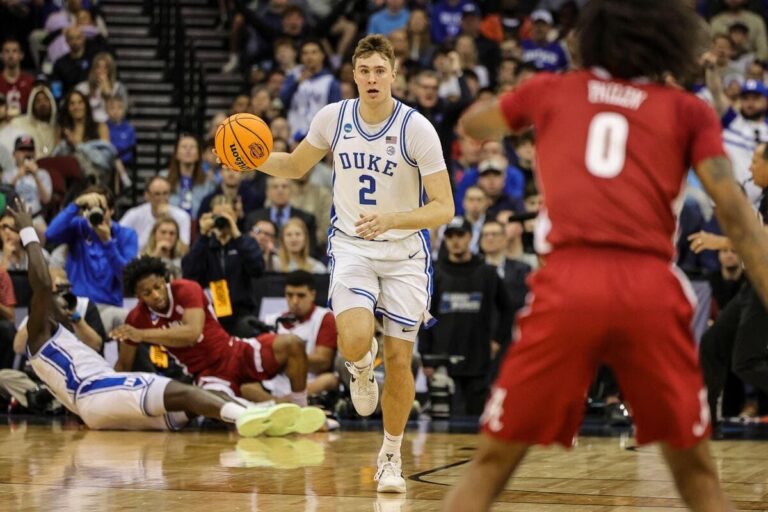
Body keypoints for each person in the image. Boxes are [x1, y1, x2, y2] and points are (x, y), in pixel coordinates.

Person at [444, 0, 768, 510]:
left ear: (590, 36)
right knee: (700, 479)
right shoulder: (686, 109)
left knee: (489, 467)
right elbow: (738, 216)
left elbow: (474, 125)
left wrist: (527, 106)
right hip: (649, 287)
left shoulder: (553, 91)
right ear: (670, 42)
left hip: (568, 281)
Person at [230, 34, 454, 493]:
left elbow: (444, 207)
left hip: (405, 252)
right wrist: (250, 158)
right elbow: (295, 166)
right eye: (364, 71)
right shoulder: (333, 118)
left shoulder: (416, 128)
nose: (372, 78)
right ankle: (357, 367)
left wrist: (393, 218)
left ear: (393, 75)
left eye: (379, 71)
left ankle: (390, 456)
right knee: (353, 340)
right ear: (353, 75)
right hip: (352, 244)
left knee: (399, 360)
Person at [8, 199, 301, 435]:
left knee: (186, 410)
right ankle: (253, 414)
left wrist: (123, 333)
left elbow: (115, 352)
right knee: (187, 394)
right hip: (97, 390)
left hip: (98, 406)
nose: (61, 295)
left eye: (65, 289)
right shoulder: (39, 330)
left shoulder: (182, 289)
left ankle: (270, 414)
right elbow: (42, 284)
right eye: (57, 291)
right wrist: (28, 231)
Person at [112, 256, 326, 436]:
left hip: (235, 351)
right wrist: (109, 403)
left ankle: (301, 408)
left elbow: (192, 332)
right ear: (138, 296)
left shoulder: (186, 288)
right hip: (207, 373)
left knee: (292, 344)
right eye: (147, 293)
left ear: (166, 279)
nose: (156, 295)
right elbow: (123, 366)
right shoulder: (136, 319)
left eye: (158, 287)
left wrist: (142, 335)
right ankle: (261, 413)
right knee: (226, 411)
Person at [696, 143, 768, 431]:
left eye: (754, 161)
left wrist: (721, 242)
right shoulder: (763, 197)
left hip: (764, 285)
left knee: (746, 362)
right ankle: (707, 423)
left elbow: (762, 241)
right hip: (752, 284)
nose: (750, 167)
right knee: (711, 344)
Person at [421, 217, 512, 416]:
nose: (455, 241)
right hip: (442, 361)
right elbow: (424, 315)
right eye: (450, 236)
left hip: (477, 361)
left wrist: (497, 340)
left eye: (460, 235)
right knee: (441, 423)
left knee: (475, 421)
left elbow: (508, 309)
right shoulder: (435, 274)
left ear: (470, 237)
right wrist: (426, 356)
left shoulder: (487, 273)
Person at [45, 186, 138, 332]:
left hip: (108, 307)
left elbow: (127, 276)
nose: (95, 213)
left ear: (112, 210)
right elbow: (50, 234)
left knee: (126, 319)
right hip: (78, 305)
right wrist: (75, 205)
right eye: (88, 208)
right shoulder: (78, 226)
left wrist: (108, 243)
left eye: (101, 209)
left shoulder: (126, 235)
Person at [182, 195, 264, 336]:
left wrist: (236, 235)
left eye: (228, 215)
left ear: (236, 216)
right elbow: (189, 273)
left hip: (240, 313)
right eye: (217, 216)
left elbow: (257, 269)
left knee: (247, 329)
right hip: (208, 313)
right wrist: (203, 235)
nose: (222, 220)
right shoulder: (203, 244)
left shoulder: (246, 242)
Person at [255, 270, 339, 400]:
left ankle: (283, 402)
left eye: (301, 296)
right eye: (290, 295)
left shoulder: (324, 318)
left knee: (330, 380)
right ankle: (280, 402)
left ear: (312, 295)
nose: (294, 301)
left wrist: (286, 357)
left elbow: (323, 362)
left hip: (309, 382)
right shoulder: (271, 320)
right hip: (272, 383)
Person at [119, 176, 191, 251]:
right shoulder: (134, 214)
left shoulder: (182, 216)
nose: (162, 198)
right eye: (157, 194)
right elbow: (117, 237)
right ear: (147, 195)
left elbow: (184, 250)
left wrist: (165, 218)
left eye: (165, 193)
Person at [2, 135, 52, 232]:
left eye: (29, 150)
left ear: (34, 153)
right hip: (13, 218)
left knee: (45, 233)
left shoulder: (42, 174)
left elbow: (46, 200)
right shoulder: (7, 175)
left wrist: (36, 176)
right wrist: (18, 176)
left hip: (36, 218)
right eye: (22, 150)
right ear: (14, 154)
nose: (26, 153)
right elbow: (5, 198)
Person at [161, 134, 214, 218]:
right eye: (184, 147)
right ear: (176, 154)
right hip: (170, 224)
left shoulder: (208, 181)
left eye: (192, 147)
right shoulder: (163, 178)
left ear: (198, 155)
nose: (188, 150)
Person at [75, 52, 129, 124]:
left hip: (111, 127)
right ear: (93, 69)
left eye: (105, 68)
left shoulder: (118, 88)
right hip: (88, 126)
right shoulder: (82, 88)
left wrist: (108, 95)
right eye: (98, 67)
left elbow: (121, 113)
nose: (101, 71)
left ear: (110, 70)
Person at [10, 85, 57, 158]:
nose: (42, 104)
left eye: (46, 100)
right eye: (38, 101)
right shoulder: (19, 123)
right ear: (31, 105)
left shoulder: (58, 128)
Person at [0, 38, 34, 118]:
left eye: (14, 51)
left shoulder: (30, 81)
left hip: (25, 125)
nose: (10, 55)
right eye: (7, 51)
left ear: (21, 55)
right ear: (1, 55)